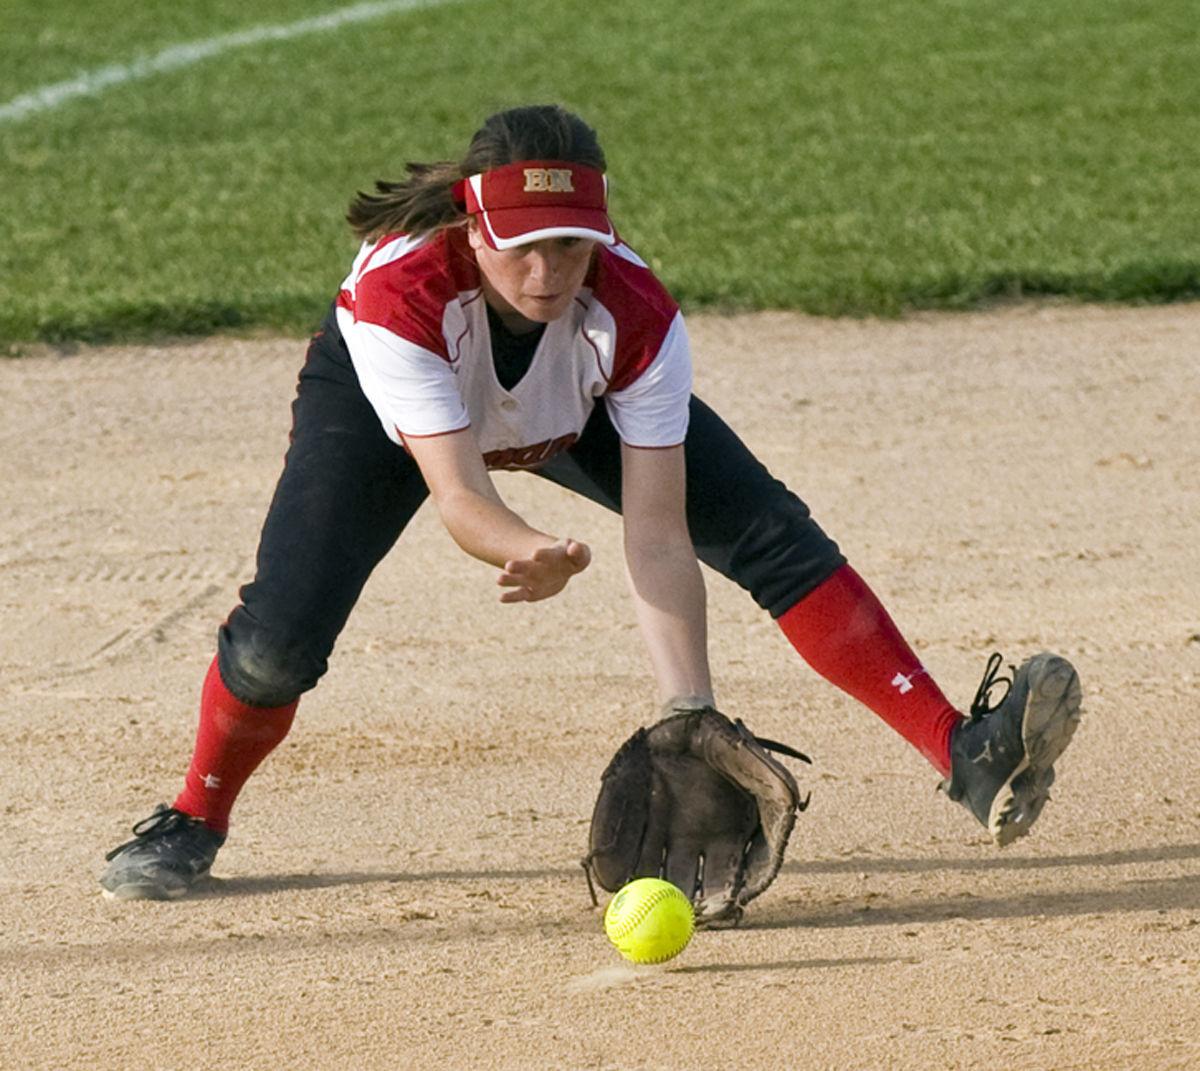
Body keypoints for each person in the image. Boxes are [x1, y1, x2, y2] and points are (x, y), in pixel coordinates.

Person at [100, 104, 1082, 902]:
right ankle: (197, 813)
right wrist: (527, 544)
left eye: (569, 247)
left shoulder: (633, 314)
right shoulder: (402, 301)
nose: (546, 273)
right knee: (278, 642)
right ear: (471, 226)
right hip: (390, 414)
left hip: (572, 413)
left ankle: (967, 753)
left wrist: (689, 708)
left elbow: (659, 533)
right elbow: (459, 491)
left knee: (770, 536)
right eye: (521, 247)